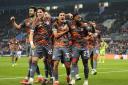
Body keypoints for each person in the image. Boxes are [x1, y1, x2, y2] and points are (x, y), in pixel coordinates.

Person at [10, 6, 43, 83]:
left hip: (37, 42)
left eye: (31, 11)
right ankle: (39, 76)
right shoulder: (26, 21)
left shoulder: (39, 20)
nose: (29, 12)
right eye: (29, 11)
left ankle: (28, 78)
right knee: (31, 61)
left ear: (35, 12)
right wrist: (13, 21)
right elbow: (18, 27)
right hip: (28, 42)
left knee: (31, 60)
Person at [52, 11, 71, 85]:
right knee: (56, 64)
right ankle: (56, 80)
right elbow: (56, 35)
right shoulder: (55, 25)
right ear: (58, 17)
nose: (62, 16)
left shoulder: (68, 23)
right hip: (57, 46)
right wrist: (65, 31)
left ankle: (68, 75)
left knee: (67, 66)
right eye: (61, 15)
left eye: (63, 15)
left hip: (66, 47)